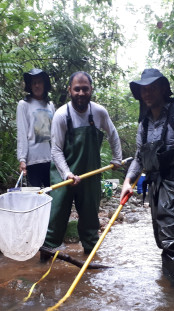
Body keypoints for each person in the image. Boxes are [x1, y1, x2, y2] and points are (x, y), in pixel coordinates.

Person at [120, 68, 174, 281]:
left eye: (152, 88)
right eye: (143, 89)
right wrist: (127, 181)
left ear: (162, 89)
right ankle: (171, 288)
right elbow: (139, 158)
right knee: (163, 239)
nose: (147, 93)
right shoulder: (144, 123)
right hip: (156, 186)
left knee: (173, 242)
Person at [42, 71, 122, 260]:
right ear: (70, 90)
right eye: (76, 89)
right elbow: (56, 151)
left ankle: (91, 261)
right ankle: (45, 260)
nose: (81, 93)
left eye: (85, 89)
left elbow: (113, 134)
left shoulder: (99, 112)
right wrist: (67, 174)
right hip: (63, 176)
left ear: (91, 90)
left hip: (90, 175)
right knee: (56, 220)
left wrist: (117, 158)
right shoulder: (61, 115)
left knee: (90, 222)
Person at [16, 68, 55, 188]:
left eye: (39, 82)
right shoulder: (24, 105)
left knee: (52, 195)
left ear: (45, 84)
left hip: (50, 160)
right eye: (34, 83)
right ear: (30, 86)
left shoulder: (50, 105)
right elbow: (22, 132)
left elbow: (54, 134)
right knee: (36, 197)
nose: (37, 85)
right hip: (32, 161)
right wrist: (22, 159)